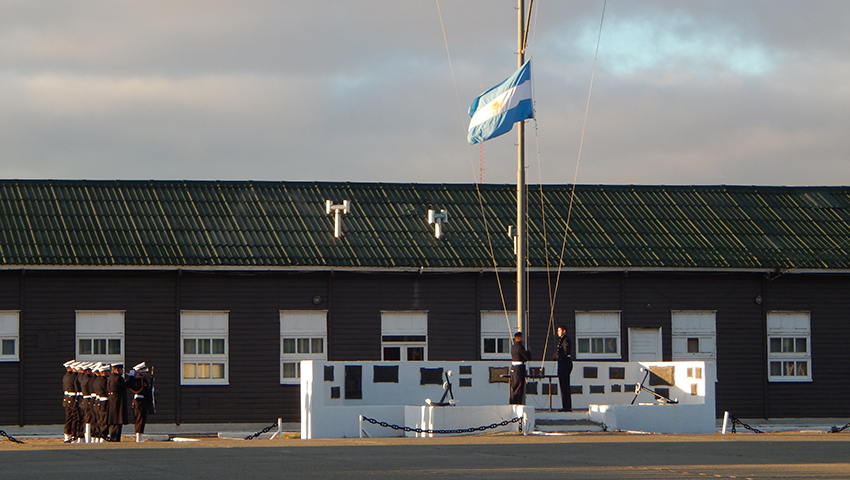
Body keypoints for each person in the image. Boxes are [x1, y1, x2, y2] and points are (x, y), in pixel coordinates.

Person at [128, 362, 153, 442]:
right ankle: (138, 435)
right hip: (139, 401)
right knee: (140, 418)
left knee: (141, 418)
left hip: (141, 401)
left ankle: (139, 434)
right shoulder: (138, 380)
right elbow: (139, 389)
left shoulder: (141, 380)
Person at [106, 363, 129, 442]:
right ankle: (115, 438)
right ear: (117, 370)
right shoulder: (118, 378)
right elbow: (126, 385)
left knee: (113, 420)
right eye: (121, 369)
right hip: (117, 400)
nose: (122, 371)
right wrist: (131, 377)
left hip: (112, 400)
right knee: (118, 420)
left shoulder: (111, 377)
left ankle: (113, 436)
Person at [553, 325, 574, 411]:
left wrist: (558, 356)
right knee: (563, 385)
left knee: (565, 385)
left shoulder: (566, 340)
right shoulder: (562, 340)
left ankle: (567, 406)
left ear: (564, 331)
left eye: (559, 330)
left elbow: (566, 352)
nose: (558, 332)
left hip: (565, 364)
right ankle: (565, 405)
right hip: (562, 363)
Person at [509, 331, 531, 405]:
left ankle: (512, 402)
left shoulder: (513, 347)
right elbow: (527, 357)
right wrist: (528, 352)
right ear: (519, 338)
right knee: (519, 387)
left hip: (513, 367)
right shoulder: (520, 347)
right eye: (522, 337)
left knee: (514, 386)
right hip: (519, 368)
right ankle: (518, 403)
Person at [62, 360, 78, 443]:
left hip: (66, 398)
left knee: (68, 418)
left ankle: (66, 435)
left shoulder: (65, 376)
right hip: (72, 398)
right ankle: (72, 435)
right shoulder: (74, 377)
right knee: (74, 418)